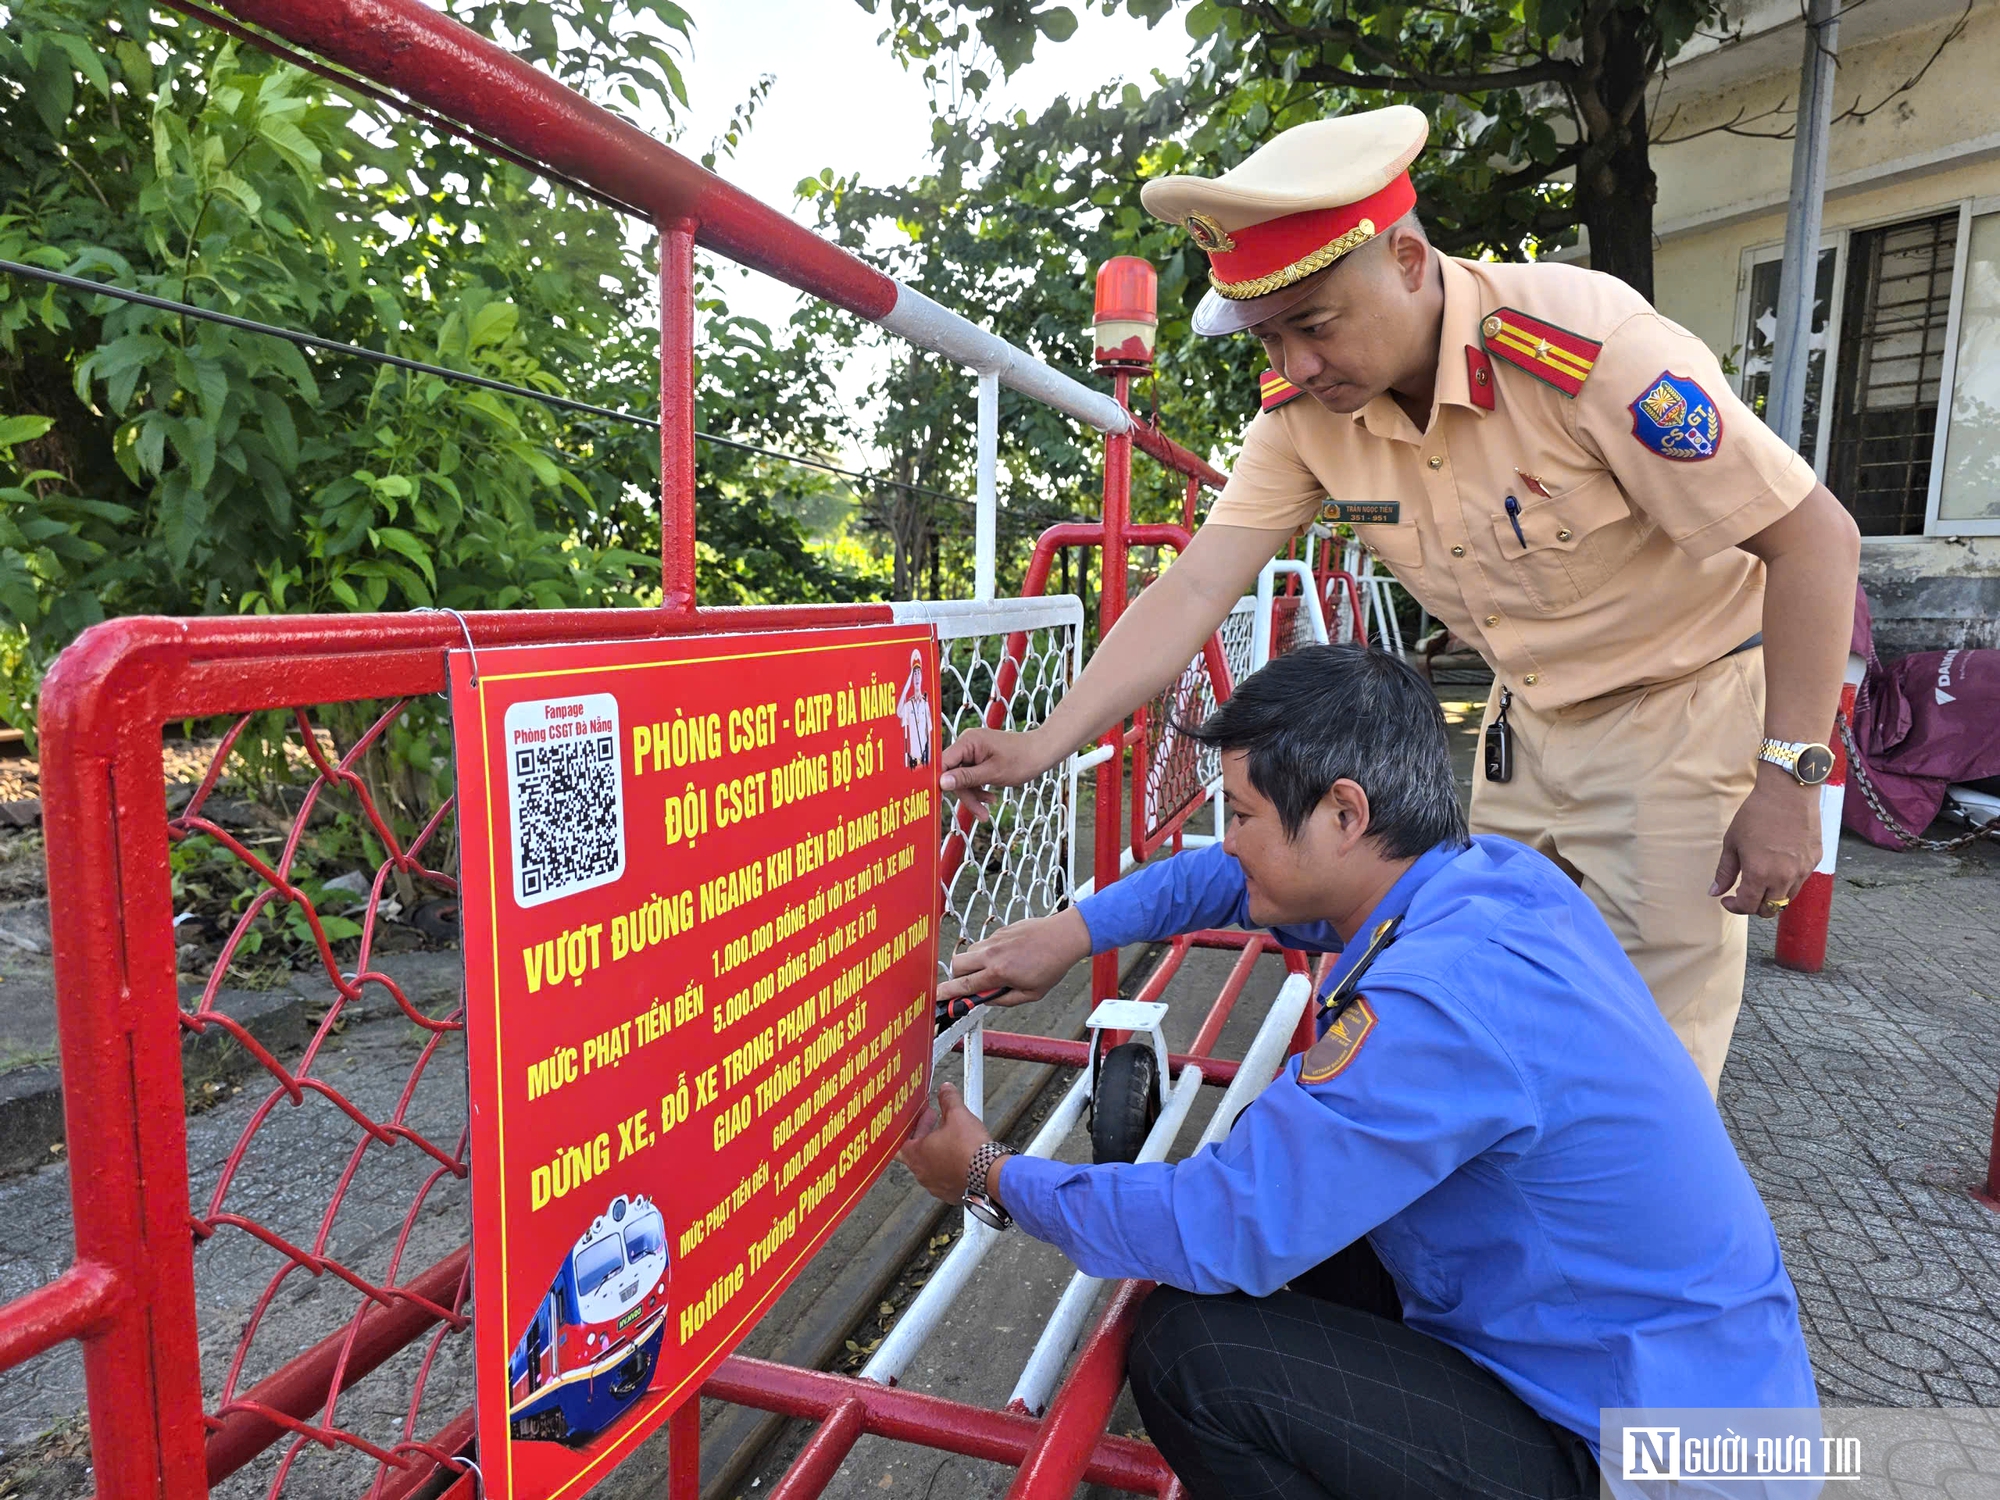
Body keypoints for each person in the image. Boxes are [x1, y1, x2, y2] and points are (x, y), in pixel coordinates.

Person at [939, 105, 1862, 1092]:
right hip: (1527, 721)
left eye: (1314, 325)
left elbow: (1812, 538)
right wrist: (1045, 742)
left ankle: (1641, 1240)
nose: (1292, 363)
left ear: (1410, 260)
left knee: (1647, 1049)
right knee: (1494, 990)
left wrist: (1786, 781)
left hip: (1685, 714)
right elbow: (1197, 583)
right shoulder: (1304, 418)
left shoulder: (1586, 349)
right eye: (1267, 337)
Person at [902, 646, 1819, 1500]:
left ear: (1345, 814)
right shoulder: (1489, 879)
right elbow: (1234, 882)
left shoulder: (1434, 1005)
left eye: (1245, 815)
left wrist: (990, 1176)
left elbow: (1223, 1223)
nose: (1230, 841)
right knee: (1303, 1210)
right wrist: (1075, 930)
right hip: (1695, 1383)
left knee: (1192, 1353)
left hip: (1644, 1455)